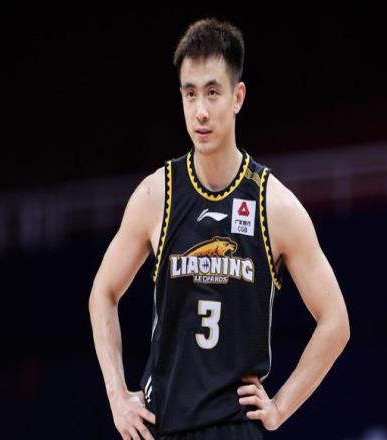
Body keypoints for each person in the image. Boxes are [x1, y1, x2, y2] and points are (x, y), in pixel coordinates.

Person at [88, 17, 350, 440]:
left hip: (235, 427)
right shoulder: (156, 195)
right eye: (190, 94)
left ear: (237, 97)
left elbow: (336, 321)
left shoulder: (275, 205)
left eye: (212, 92)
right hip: (164, 424)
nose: (201, 111)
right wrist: (117, 396)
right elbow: (103, 291)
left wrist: (281, 406)